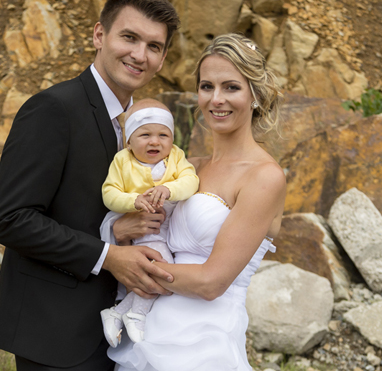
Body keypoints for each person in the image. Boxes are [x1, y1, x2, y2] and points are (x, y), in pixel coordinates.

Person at [0, 0, 180, 371]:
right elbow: (9, 219)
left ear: (162, 59)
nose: (140, 55)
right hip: (55, 331)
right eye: (129, 37)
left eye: (154, 46)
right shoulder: (53, 109)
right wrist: (109, 256)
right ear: (99, 35)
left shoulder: (145, 128)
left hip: (118, 333)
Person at [107, 34, 287, 370]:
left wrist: (133, 266)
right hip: (152, 330)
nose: (216, 99)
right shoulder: (189, 167)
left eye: (231, 87)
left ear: (255, 95)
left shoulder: (264, 177)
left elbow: (210, 282)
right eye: (207, 86)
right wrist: (120, 231)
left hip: (205, 341)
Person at [99, 99, 199, 347]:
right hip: (143, 228)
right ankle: (137, 314)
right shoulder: (123, 161)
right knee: (162, 269)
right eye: (145, 135)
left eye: (163, 135)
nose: (155, 142)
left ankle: (118, 312)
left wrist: (169, 188)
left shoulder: (176, 156)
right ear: (129, 141)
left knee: (154, 272)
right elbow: (109, 193)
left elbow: (191, 180)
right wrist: (133, 201)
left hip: (167, 228)